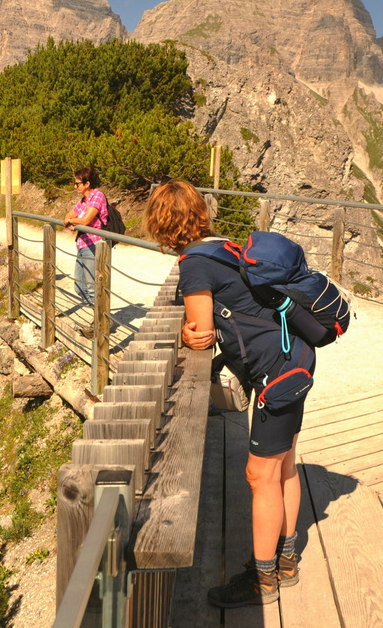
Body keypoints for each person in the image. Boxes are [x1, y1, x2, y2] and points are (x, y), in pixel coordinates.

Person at [158, 179, 310, 606]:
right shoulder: (223, 245)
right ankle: (286, 561)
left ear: (163, 225)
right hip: (295, 355)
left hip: (275, 376)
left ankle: (264, 580)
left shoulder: (193, 264)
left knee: (259, 476)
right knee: (284, 469)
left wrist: (188, 337)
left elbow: (202, 334)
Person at [65, 166, 111, 311]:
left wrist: (73, 222)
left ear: (87, 184)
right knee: (79, 287)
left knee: (91, 288)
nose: (75, 186)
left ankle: (101, 321)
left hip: (94, 245)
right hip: (82, 245)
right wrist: (70, 221)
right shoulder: (83, 201)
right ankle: (99, 317)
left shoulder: (98, 196)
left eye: (78, 183)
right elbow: (66, 217)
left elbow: (85, 220)